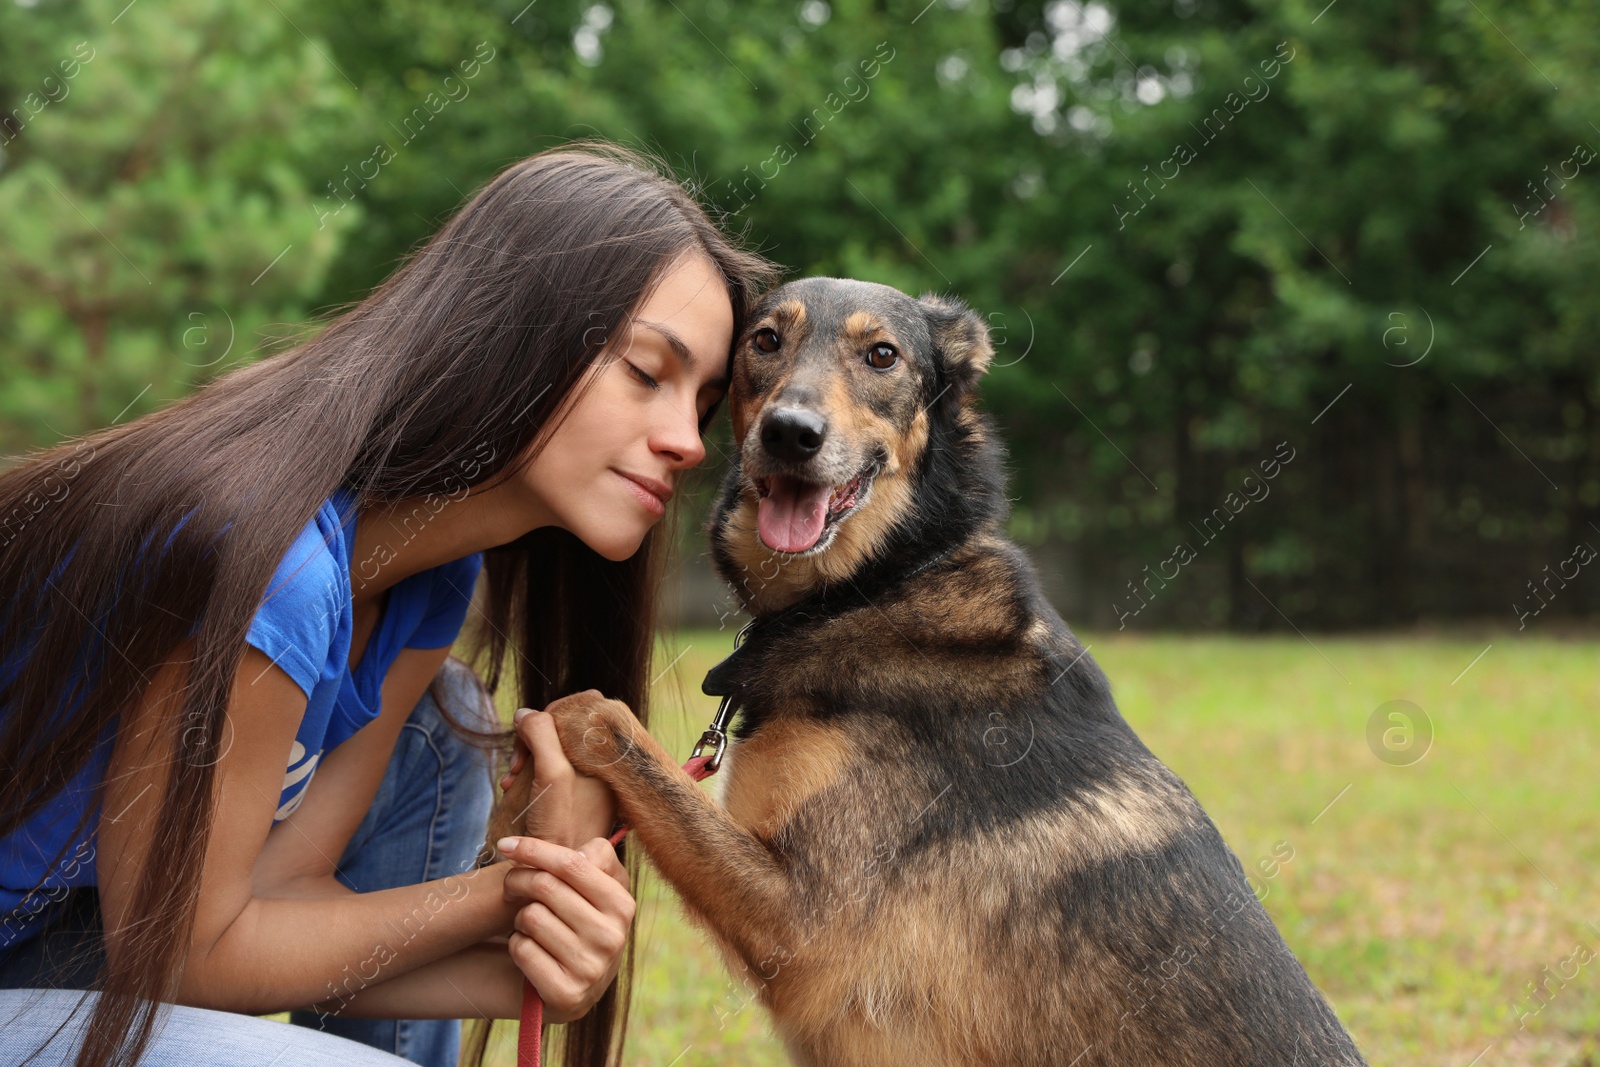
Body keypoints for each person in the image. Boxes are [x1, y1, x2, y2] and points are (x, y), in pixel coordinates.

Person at [0, 139, 784, 1067]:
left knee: (443, 725)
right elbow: (188, 952)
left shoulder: (428, 581)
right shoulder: (274, 562)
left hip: (77, 953)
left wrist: (522, 960)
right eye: (647, 371)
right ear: (515, 335)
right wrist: (514, 893)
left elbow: (285, 896)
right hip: (69, 962)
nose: (688, 442)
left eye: (698, 403)